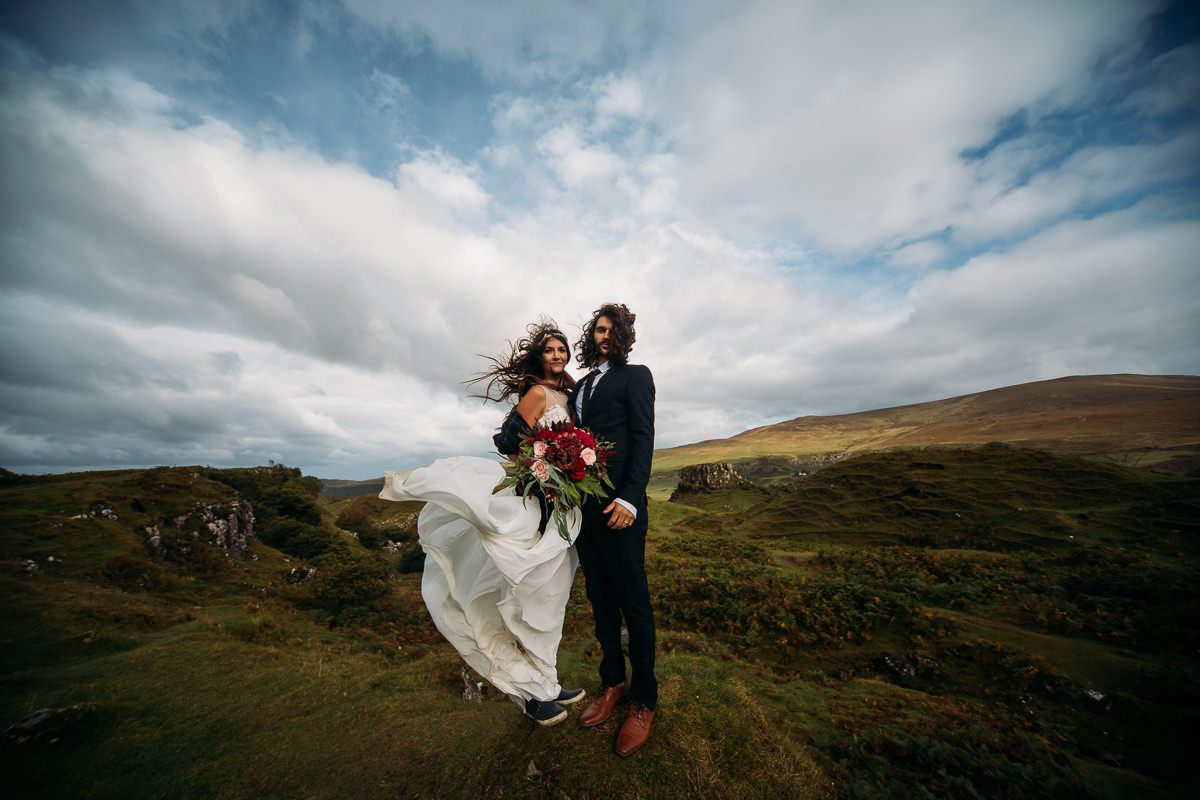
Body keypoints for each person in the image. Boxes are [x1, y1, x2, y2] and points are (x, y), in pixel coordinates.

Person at [378, 321, 586, 726]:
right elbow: (509, 440)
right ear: (539, 357)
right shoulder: (540, 393)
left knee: (553, 597)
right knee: (528, 593)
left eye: (562, 350)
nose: (558, 355)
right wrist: (541, 469)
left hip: (565, 507)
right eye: (550, 351)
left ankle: (547, 680)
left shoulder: (571, 392)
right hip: (541, 498)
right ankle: (530, 693)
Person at [568, 303, 658, 756]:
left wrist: (629, 497)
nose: (604, 335)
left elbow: (642, 438)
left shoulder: (636, 376)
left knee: (633, 601)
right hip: (585, 509)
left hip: (621, 506)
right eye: (599, 329)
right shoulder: (580, 385)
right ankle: (613, 684)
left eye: (612, 329)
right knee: (600, 598)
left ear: (624, 335)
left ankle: (644, 699)